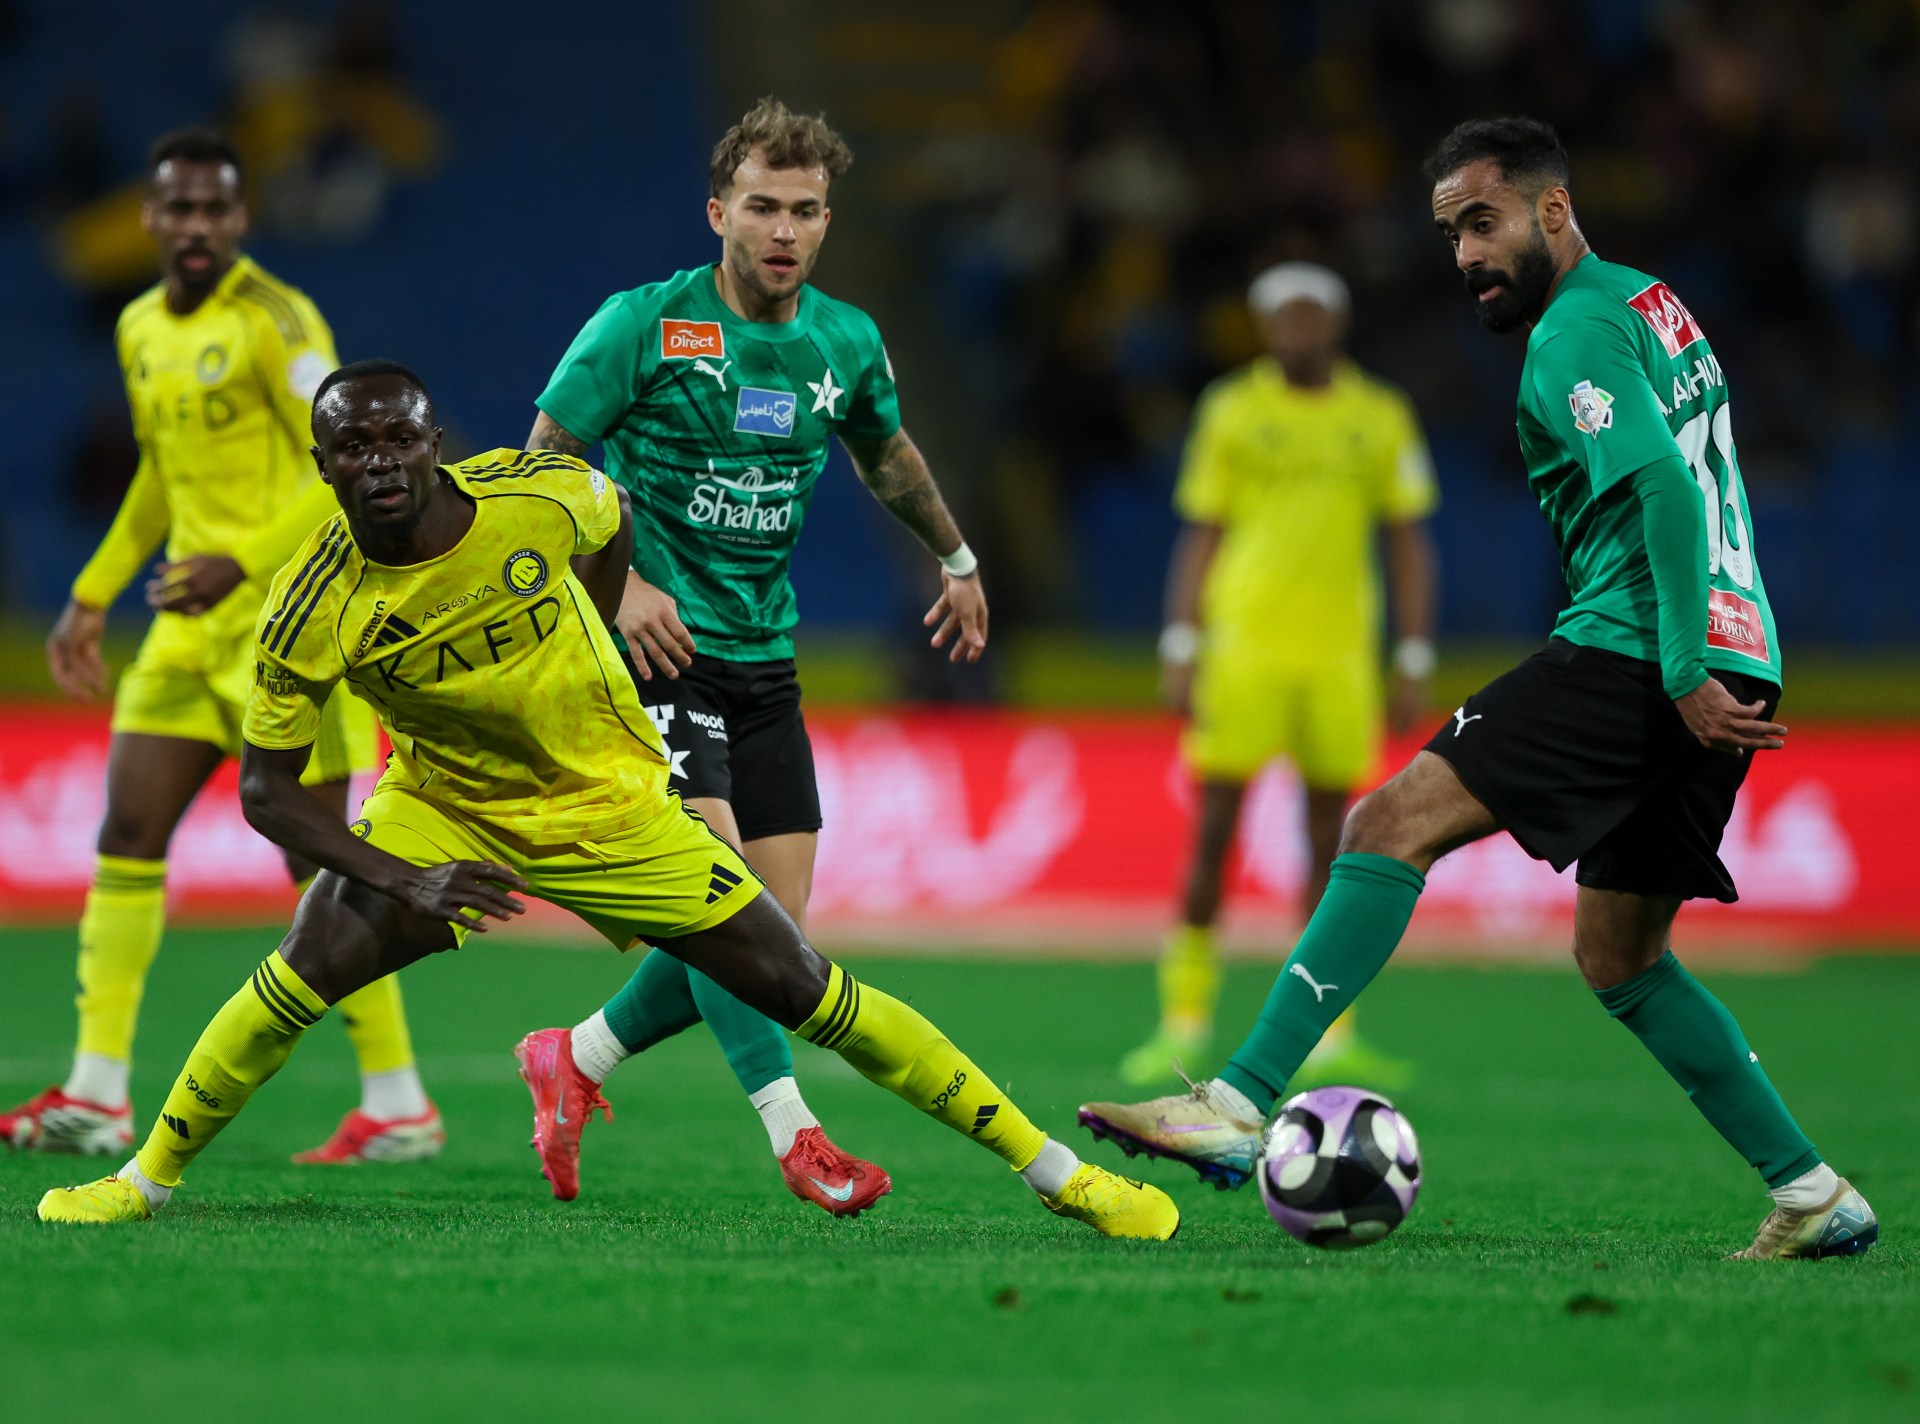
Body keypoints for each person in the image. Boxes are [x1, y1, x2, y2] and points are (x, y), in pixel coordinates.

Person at [35, 362, 1175, 1243]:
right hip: (447, 808)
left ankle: (1063, 1177)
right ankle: (142, 1181)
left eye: (398, 439)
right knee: (297, 972)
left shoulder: (541, 497)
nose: (378, 462)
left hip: (610, 800)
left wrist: (595, 632)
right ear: (321, 464)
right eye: (353, 447)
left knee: (806, 987)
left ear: (435, 445)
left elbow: (611, 521)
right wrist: (406, 877)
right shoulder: (311, 603)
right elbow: (267, 792)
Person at [1078, 118, 1876, 1261]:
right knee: (1623, 958)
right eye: (1453, 233)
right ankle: (1812, 1192)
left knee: (1386, 823)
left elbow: (1661, 482)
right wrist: (1708, 664)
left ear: (1554, 209)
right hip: (1741, 651)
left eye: (1485, 223)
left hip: (1644, 648)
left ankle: (1237, 1102)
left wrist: (1679, 668)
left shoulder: (1574, 330)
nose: (1467, 255)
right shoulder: (1654, 304)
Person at [515, 98, 988, 1216]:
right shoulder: (642, 324)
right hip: (654, 652)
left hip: (765, 658)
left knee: (767, 938)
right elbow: (539, 467)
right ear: (718, 212)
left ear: (827, 221)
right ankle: (798, 1136)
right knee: (724, 904)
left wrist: (957, 558)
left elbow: (886, 451)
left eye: (806, 211)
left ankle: (575, 1056)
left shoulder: (845, 340)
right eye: (763, 206)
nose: (784, 230)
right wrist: (621, 586)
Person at [1, 127, 439, 1167]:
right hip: (184, 635)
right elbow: (161, 473)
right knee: (127, 832)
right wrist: (91, 595)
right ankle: (98, 1092)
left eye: (214, 210)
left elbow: (340, 472)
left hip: (289, 630)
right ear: (149, 218)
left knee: (315, 861)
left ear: (241, 219)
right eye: (179, 209)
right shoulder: (140, 326)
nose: (196, 226)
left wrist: (238, 563)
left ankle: (398, 1102)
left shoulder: (279, 323)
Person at [1119, 261, 1438, 1091]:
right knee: (1213, 831)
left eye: (1309, 314)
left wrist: (1412, 652)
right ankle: (1182, 1022)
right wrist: (1181, 641)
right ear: (1265, 328)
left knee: (1336, 846)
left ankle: (1330, 1033)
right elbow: (1202, 529)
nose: (1296, 329)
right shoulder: (1232, 409)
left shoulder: (1379, 415)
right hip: (1243, 650)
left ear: (1335, 322)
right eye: (1282, 316)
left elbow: (1407, 539)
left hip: (1339, 655)